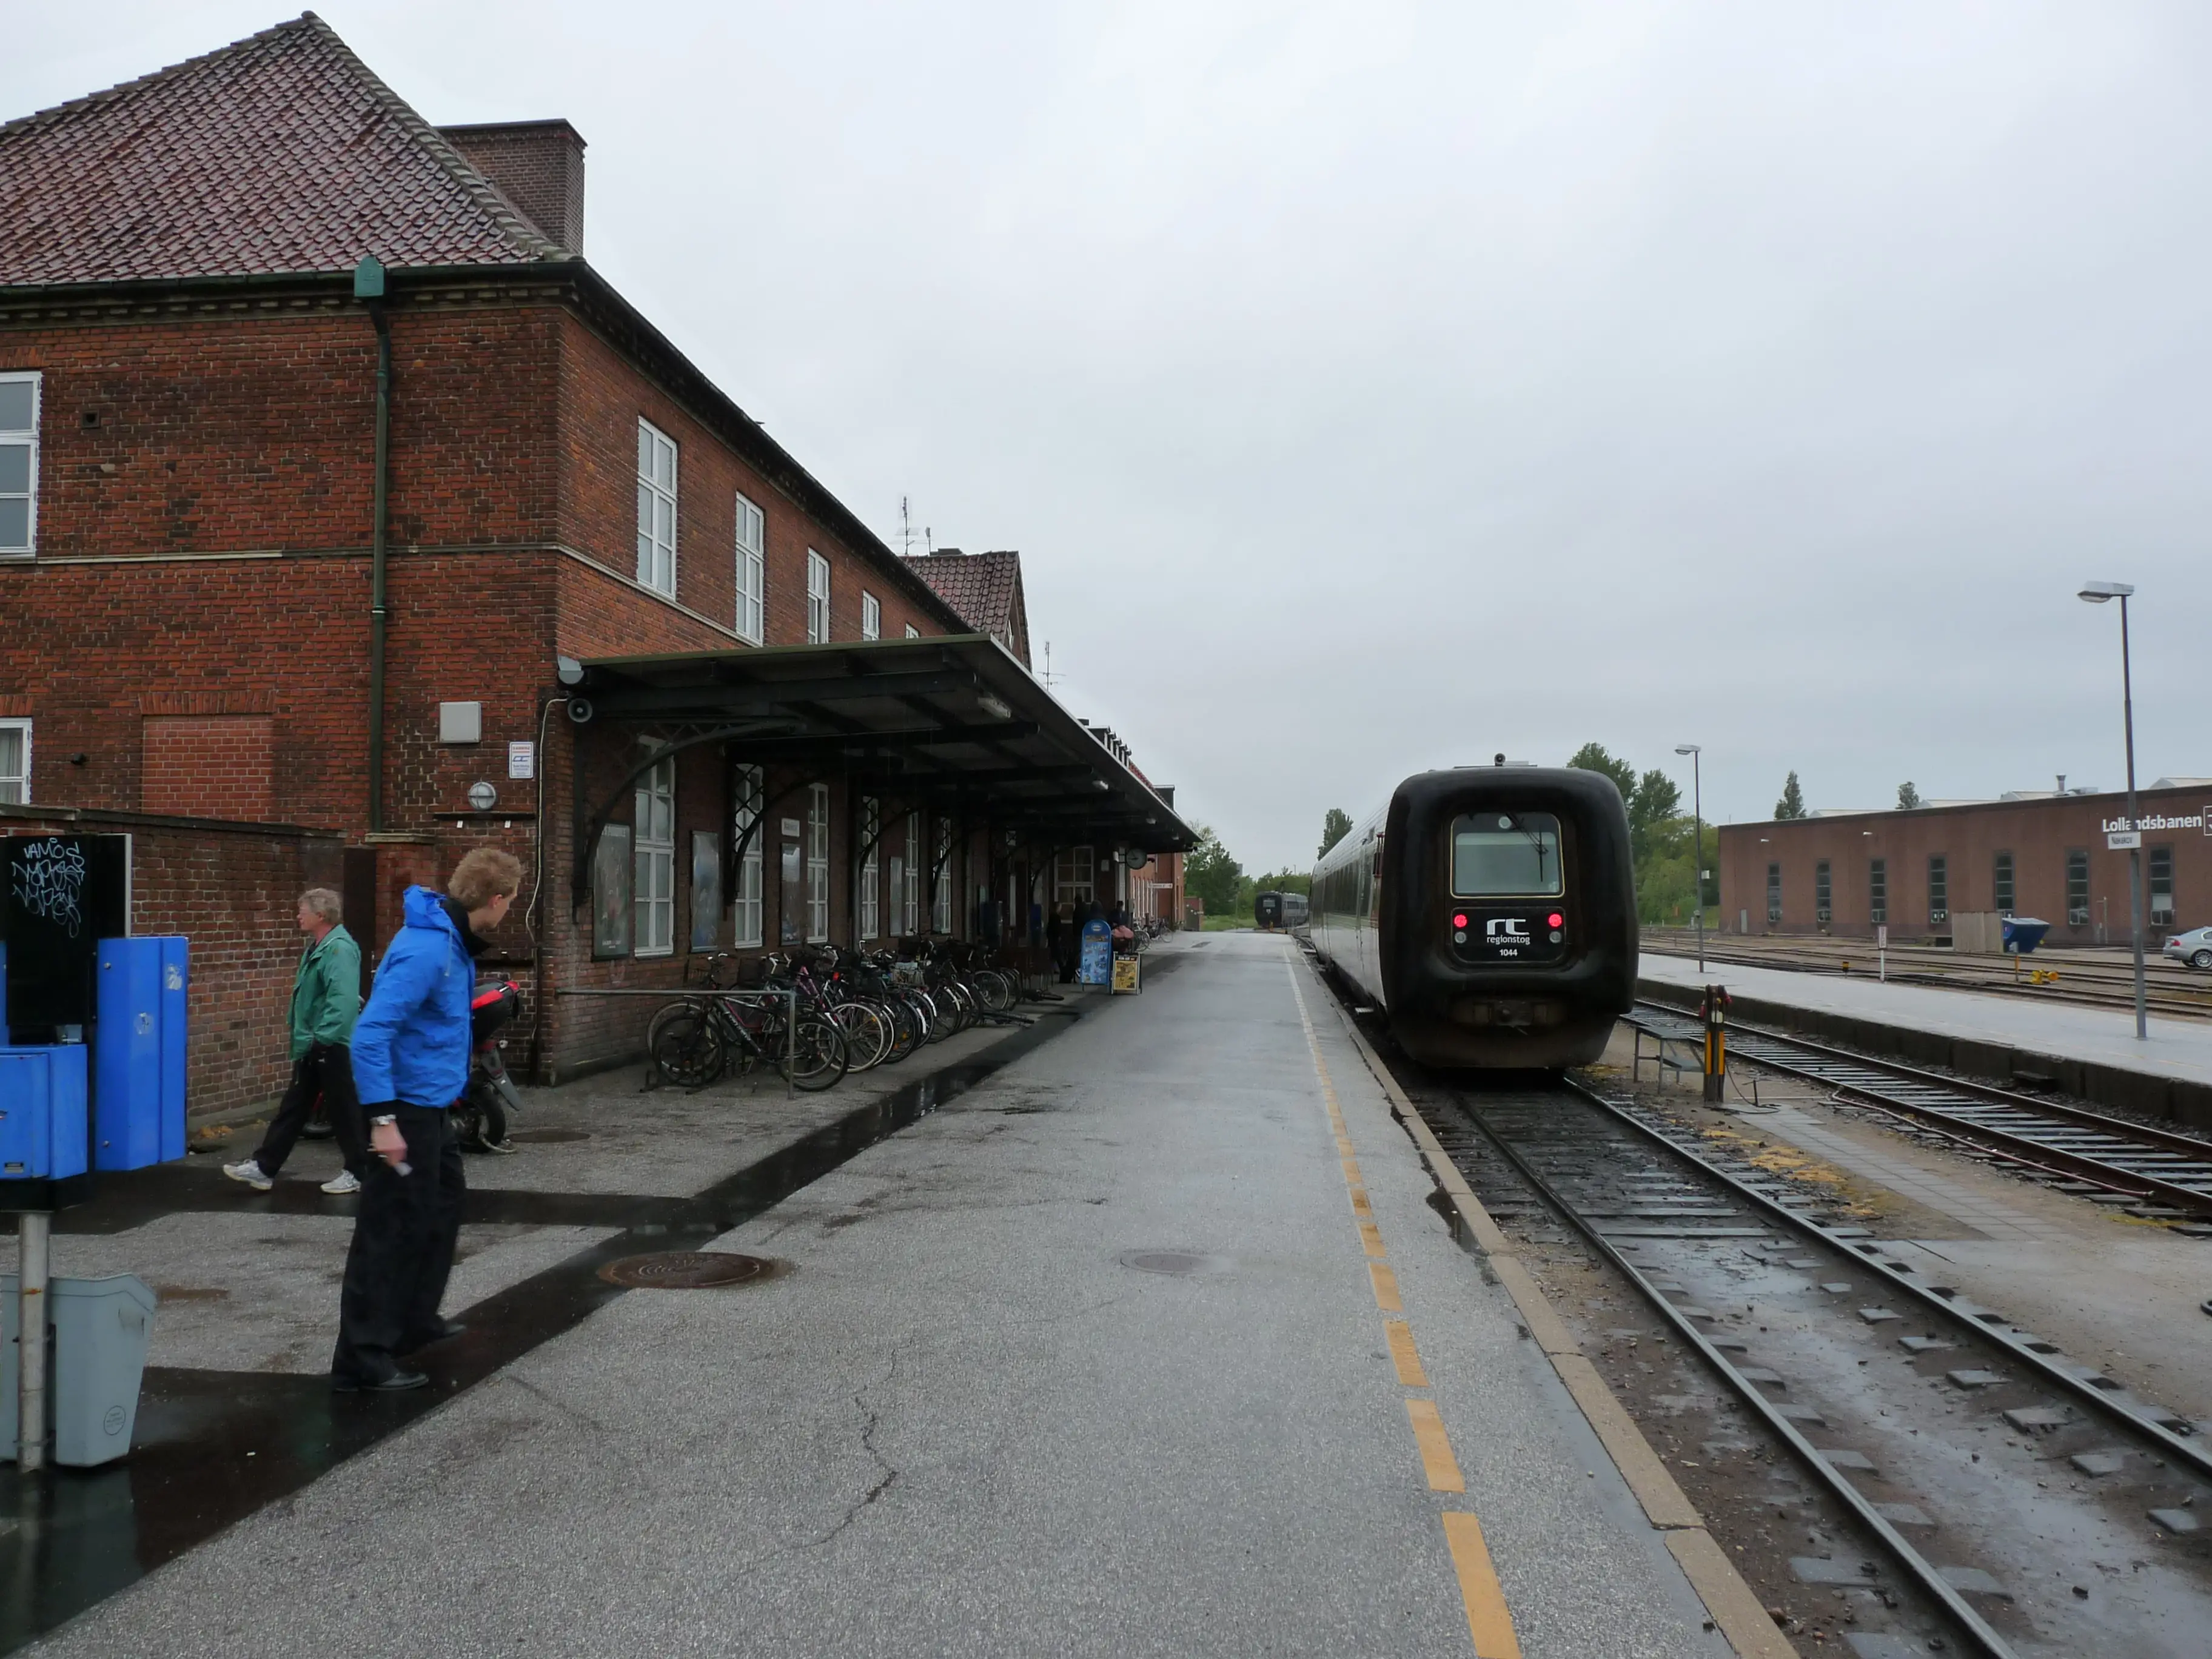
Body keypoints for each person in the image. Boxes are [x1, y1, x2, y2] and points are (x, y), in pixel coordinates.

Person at [331, 847, 521, 1393]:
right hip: (405, 1112)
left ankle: (414, 1322)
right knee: (388, 1232)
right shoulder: (428, 950)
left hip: (433, 1109)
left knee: (439, 1213)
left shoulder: (449, 943)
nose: (509, 911)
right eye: (511, 902)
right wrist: (382, 1120)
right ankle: (362, 1358)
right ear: (496, 899)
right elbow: (370, 1035)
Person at [224, 888, 367, 1195]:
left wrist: (324, 1038)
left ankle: (358, 1171)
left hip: (330, 1043)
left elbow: (341, 1000)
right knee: (295, 1107)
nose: (298, 915)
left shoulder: (338, 949)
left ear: (322, 915)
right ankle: (264, 1167)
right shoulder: (319, 946)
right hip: (314, 1042)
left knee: (343, 1109)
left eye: (303, 910)